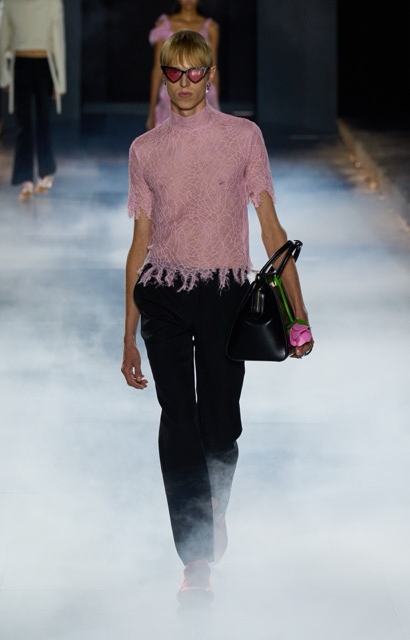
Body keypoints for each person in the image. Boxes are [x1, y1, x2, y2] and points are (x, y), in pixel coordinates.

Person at [121, 30, 314, 604]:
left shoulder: (243, 138)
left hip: (227, 296)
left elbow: (272, 231)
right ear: (162, 76)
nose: (183, 83)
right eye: (173, 72)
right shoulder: (145, 150)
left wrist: (299, 314)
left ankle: (214, 505)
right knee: (178, 421)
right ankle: (196, 557)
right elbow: (138, 246)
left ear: (210, 76)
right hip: (164, 295)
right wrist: (127, 336)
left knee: (221, 426)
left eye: (194, 72)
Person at [0, 0, 66, 201]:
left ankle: (32, 176)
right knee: (35, 121)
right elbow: (57, 40)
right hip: (34, 64)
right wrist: (59, 82)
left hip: (28, 64)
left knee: (29, 122)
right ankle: (38, 175)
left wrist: (4, 76)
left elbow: (0, 39)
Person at [146, 0, 220, 130]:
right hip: (172, 92)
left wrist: (216, 104)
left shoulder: (210, 28)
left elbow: (213, 67)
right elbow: (158, 69)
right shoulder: (164, 26)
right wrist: (152, 112)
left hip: (202, 92)